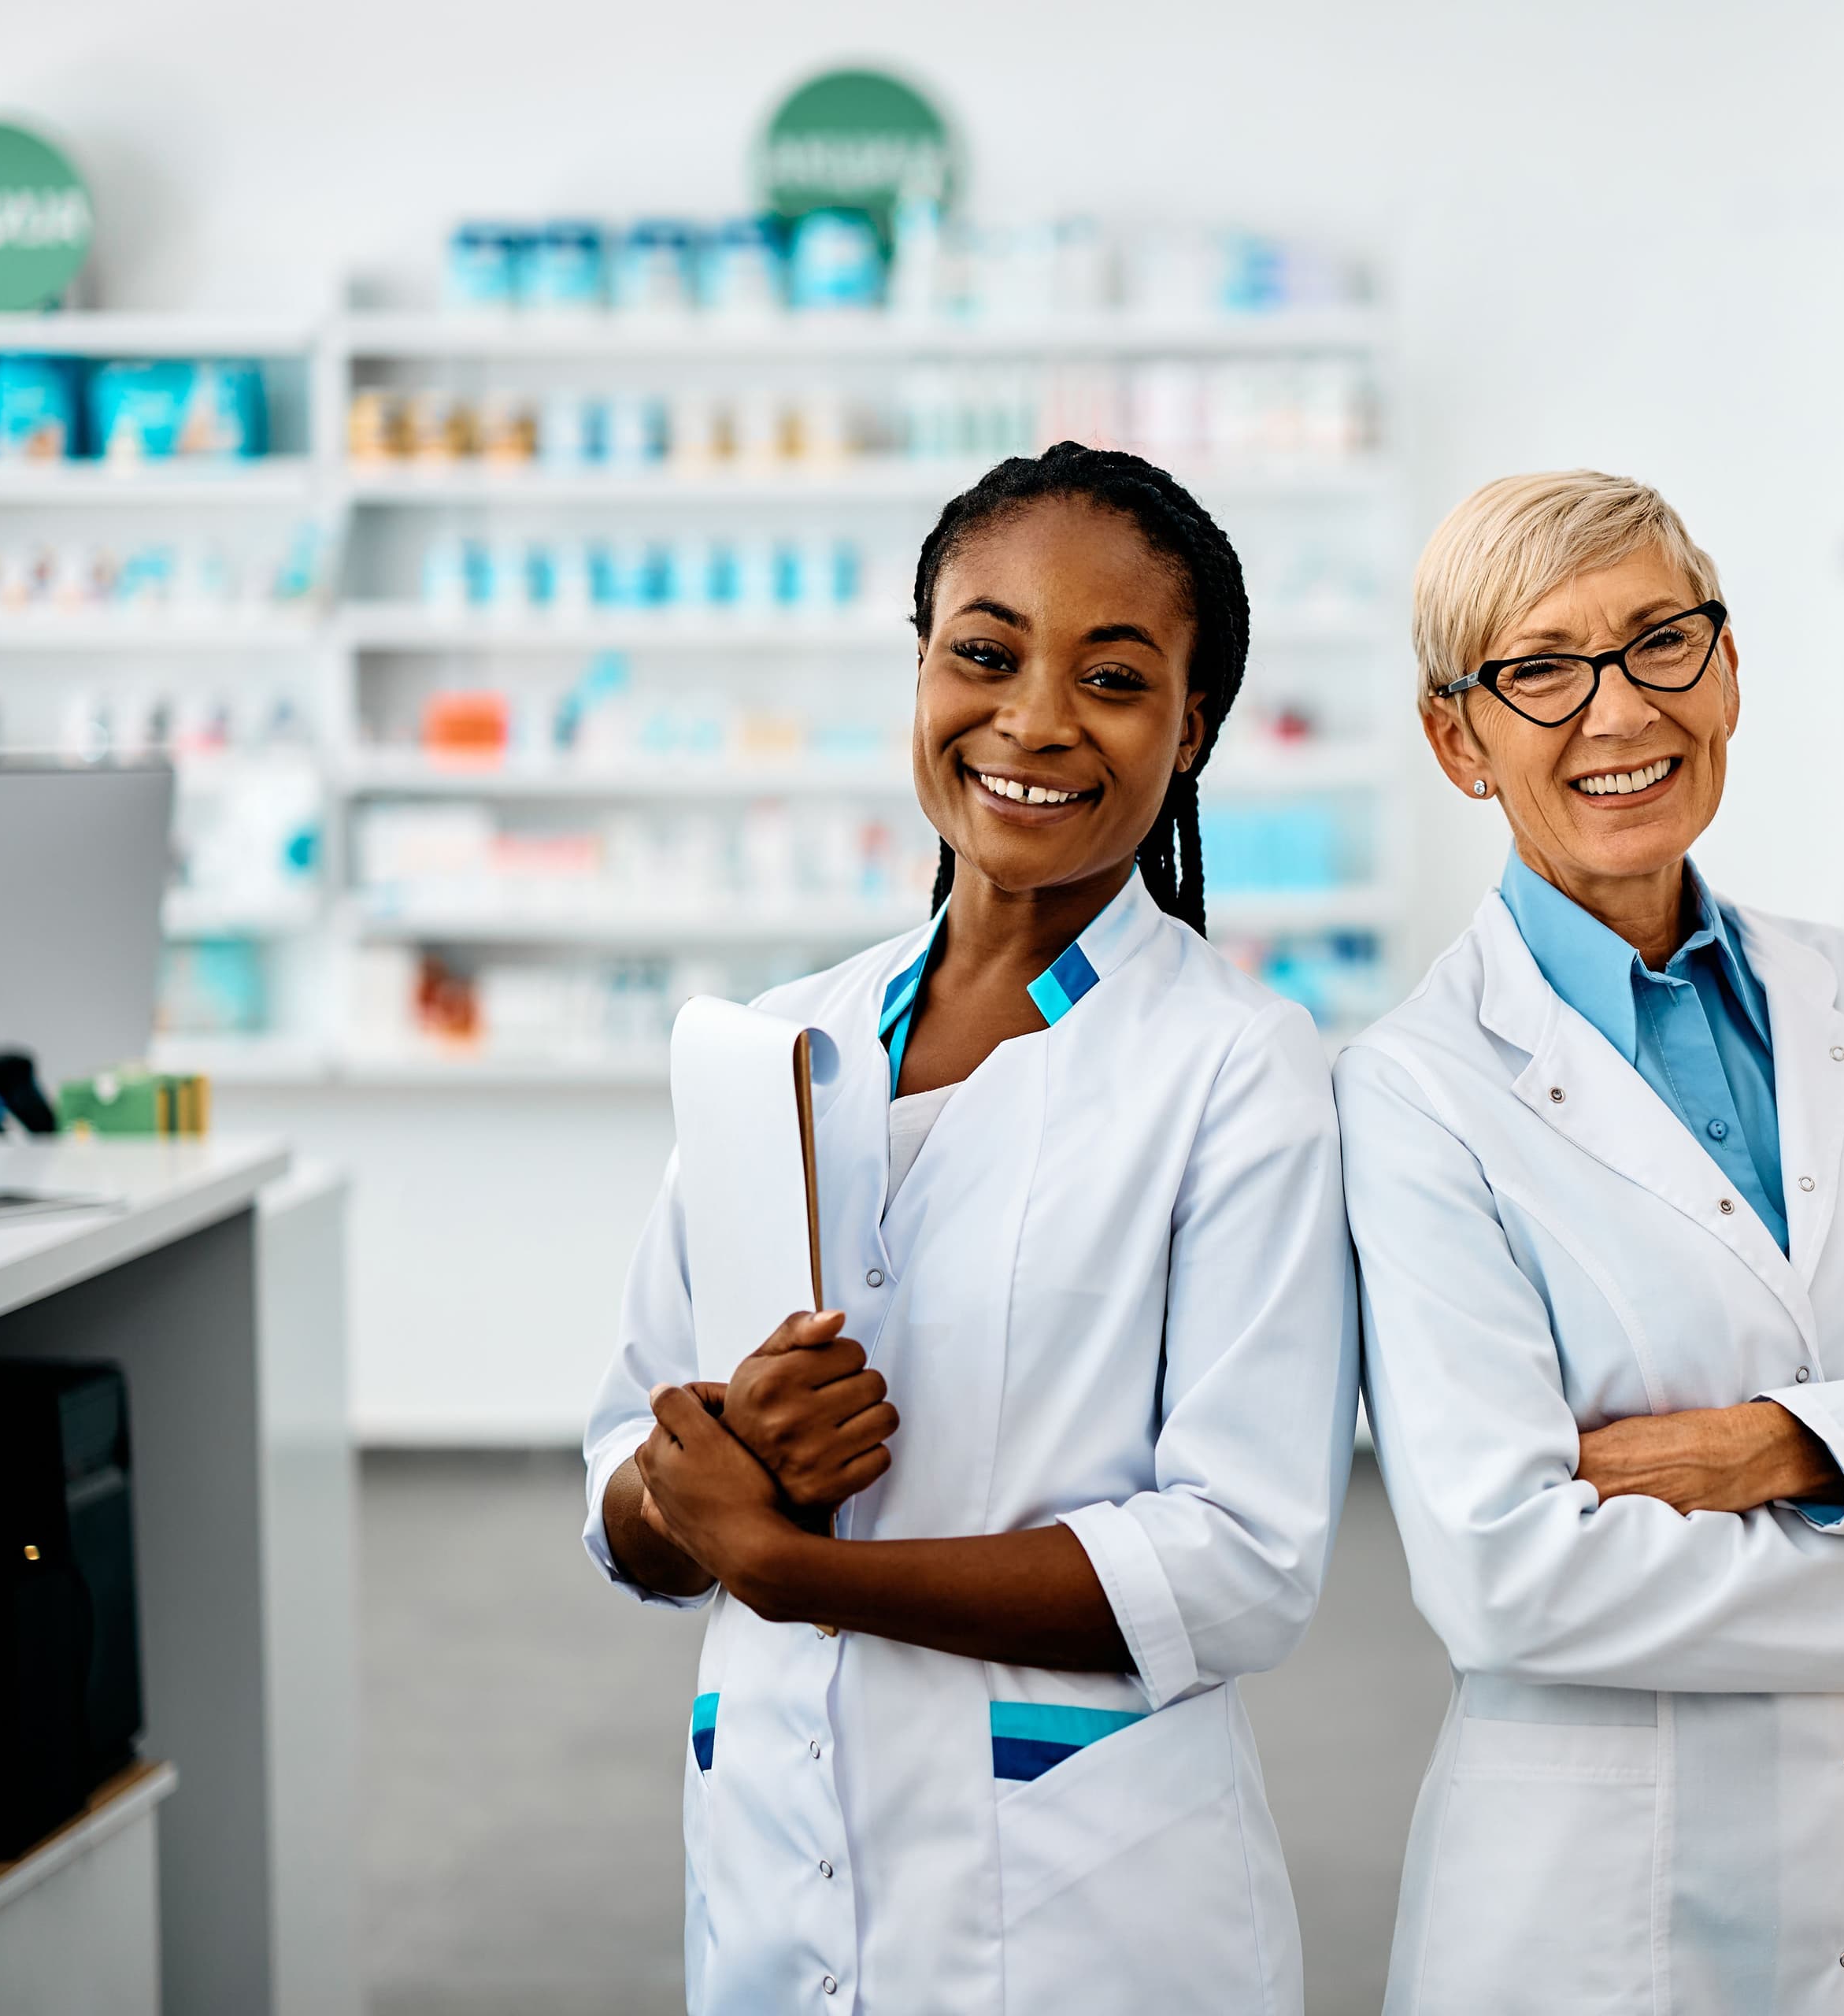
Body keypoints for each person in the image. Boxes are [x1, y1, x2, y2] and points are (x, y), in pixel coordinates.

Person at [1336, 469, 1844, 2011]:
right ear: (1461, 739)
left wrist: (1777, 1446)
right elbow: (1508, 1572)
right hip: (1597, 1919)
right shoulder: (1416, 1092)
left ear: (1729, 668)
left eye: (1662, 640)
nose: (1619, 711)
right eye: (1541, 669)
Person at [581, 443, 1357, 2016]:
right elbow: (620, 1479)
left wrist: (803, 1571)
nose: (1034, 718)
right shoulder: (780, 1044)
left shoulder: (1237, 1069)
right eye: (984, 651)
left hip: (1085, 1913)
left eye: (1116, 674)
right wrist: (704, 1458)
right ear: (923, 664)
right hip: (772, 1853)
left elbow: (1242, 1560)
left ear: (1192, 724)